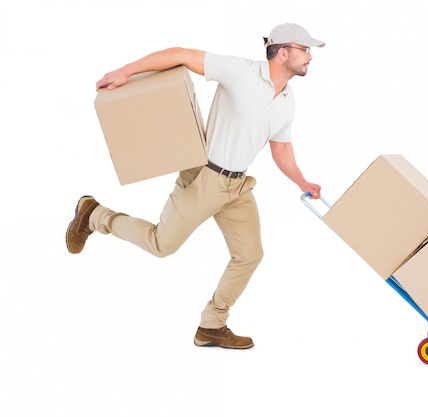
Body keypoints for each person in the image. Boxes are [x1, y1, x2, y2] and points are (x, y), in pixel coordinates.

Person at [65, 23, 324, 349]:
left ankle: (212, 325)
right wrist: (126, 71)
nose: (310, 57)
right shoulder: (241, 71)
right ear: (283, 51)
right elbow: (180, 55)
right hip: (205, 177)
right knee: (161, 244)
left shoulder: (287, 99)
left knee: (250, 254)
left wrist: (302, 181)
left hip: (238, 186)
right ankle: (95, 215)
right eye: (305, 50)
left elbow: (281, 148)